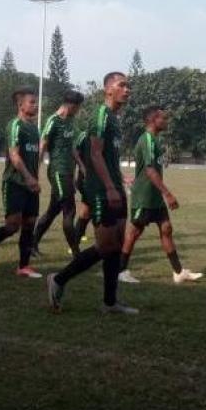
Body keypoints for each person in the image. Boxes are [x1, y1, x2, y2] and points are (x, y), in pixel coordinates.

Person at [46, 72, 138, 315]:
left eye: (128, 86)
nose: (127, 89)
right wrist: (108, 187)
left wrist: (120, 179)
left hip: (115, 188)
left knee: (116, 246)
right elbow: (95, 154)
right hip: (101, 191)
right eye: (122, 85)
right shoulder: (100, 114)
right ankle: (59, 279)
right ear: (108, 89)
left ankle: (110, 302)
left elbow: (109, 157)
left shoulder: (115, 120)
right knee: (106, 246)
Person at [118, 106, 203, 284]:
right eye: (163, 118)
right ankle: (121, 271)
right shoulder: (147, 140)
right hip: (144, 196)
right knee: (134, 232)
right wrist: (168, 194)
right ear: (153, 120)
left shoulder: (155, 140)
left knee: (166, 229)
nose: (166, 121)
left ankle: (178, 272)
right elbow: (149, 170)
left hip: (154, 197)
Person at [0, 87, 42, 279]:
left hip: (31, 185)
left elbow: (35, 157)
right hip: (14, 182)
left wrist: (35, 179)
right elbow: (14, 156)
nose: (36, 105)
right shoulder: (15, 125)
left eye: (36, 101)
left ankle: (23, 266)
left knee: (30, 223)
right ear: (20, 105)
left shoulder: (34, 129)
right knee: (13, 225)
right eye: (32, 102)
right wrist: (28, 177)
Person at [32, 90, 85, 256]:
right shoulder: (53, 121)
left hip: (68, 172)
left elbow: (72, 148)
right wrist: (35, 172)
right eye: (78, 107)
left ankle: (32, 244)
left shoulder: (71, 120)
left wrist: (82, 166)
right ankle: (76, 252)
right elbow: (42, 146)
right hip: (58, 171)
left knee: (53, 211)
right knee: (69, 210)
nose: (79, 110)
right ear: (71, 105)